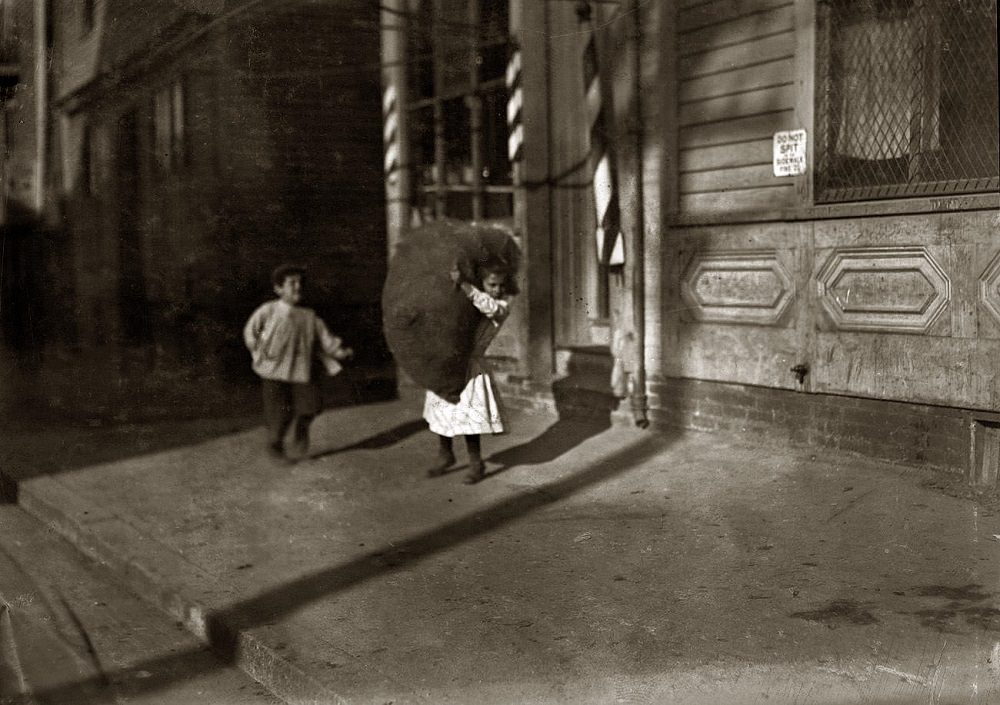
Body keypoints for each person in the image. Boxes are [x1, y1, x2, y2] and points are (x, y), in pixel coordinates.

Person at [243, 264, 352, 463]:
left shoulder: (309, 316)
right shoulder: (268, 310)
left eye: (300, 283)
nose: (297, 287)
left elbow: (326, 340)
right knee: (278, 413)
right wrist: (258, 349)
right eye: (291, 283)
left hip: (302, 371)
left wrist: (340, 352)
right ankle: (275, 446)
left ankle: (301, 431)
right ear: (278, 289)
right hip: (274, 371)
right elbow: (251, 331)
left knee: (312, 405)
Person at [423, 258, 512, 484]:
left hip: (471, 366)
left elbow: (487, 306)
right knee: (442, 409)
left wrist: (464, 285)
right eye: (492, 285)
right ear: (482, 283)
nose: (497, 290)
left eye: (501, 285)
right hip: (448, 362)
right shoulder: (469, 300)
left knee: (469, 415)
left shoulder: (500, 306)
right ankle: (446, 454)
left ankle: (476, 463)